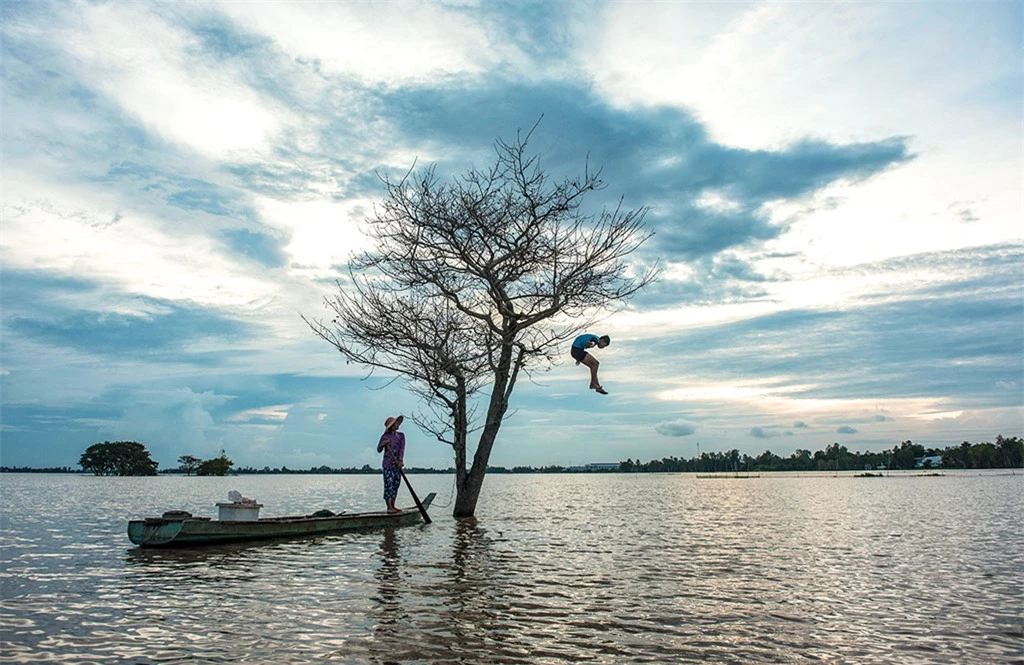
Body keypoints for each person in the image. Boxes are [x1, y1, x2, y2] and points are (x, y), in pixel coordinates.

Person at [377, 415, 406, 513]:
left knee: (395, 484)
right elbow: (379, 449)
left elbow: (402, 449)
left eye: (397, 423)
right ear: (391, 426)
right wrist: (383, 444)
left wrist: (400, 461)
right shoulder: (385, 436)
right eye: (394, 424)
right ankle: (389, 507)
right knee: (388, 485)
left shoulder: (401, 436)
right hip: (388, 464)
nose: (397, 425)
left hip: (397, 464)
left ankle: (393, 505)